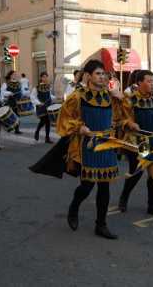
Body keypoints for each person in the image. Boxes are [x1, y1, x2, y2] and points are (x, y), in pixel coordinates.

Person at [59, 60, 121, 239]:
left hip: (106, 144)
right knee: (87, 186)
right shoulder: (78, 96)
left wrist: (121, 100)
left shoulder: (110, 96)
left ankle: (101, 225)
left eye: (104, 74)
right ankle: (74, 206)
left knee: (104, 186)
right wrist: (79, 127)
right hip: (88, 146)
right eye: (98, 74)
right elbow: (64, 118)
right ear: (88, 76)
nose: (102, 77)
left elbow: (118, 117)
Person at [118, 70, 153, 217]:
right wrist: (130, 124)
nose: (151, 84)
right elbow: (120, 120)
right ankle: (124, 197)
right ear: (139, 83)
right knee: (136, 173)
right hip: (136, 142)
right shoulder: (130, 100)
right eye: (148, 81)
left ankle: (152, 205)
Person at [30, 72, 56, 143]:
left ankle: (47, 138)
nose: (45, 78)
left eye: (46, 77)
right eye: (44, 77)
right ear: (41, 78)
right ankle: (37, 131)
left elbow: (49, 96)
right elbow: (32, 96)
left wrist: (56, 98)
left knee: (47, 122)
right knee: (43, 121)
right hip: (41, 107)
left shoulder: (48, 87)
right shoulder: (37, 87)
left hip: (48, 106)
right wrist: (38, 103)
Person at [2, 70, 29, 134]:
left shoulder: (19, 83)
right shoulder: (6, 83)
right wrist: (9, 93)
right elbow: (2, 92)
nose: (15, 75)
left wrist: (27, 92)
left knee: (17, 115)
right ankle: (9, 127)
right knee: (10, 115)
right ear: (10, 75)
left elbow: (22, 91)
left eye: (15, 74)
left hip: (19, 102)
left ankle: (17, 129)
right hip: (11, 101)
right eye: (13, 74)